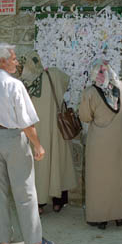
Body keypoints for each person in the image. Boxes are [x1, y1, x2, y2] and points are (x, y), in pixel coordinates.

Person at [0, 43, 54, 244]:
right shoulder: (14, 85)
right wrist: (37, 145)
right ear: (2, 61)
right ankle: (34, 241)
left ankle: (4, 240)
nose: (17, 62)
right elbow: (26, 122)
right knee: (25, 190)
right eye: (14, 59)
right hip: (13, 139)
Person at [79, 59, 122, 230]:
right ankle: (120, 214)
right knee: (121, 175)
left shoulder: (90, 92)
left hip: (100, 141)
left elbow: (84, 116)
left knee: (100, 178)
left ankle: (101, 217)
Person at [20, 51, 77, 215]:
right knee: (58, 162)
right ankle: (59, 202)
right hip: (57, 128)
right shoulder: (53, 74)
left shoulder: (24, 83)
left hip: (36, 131)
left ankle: (39, 203)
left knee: (39, 166)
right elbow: (66, 81)